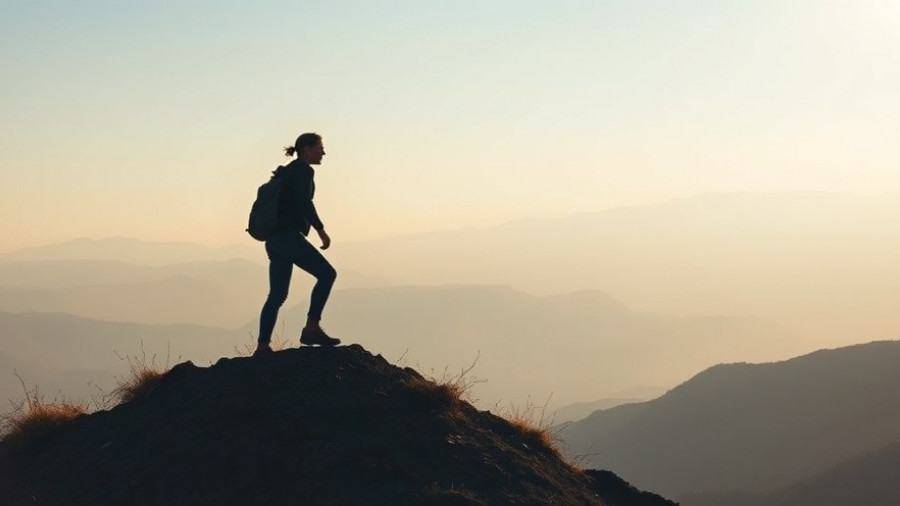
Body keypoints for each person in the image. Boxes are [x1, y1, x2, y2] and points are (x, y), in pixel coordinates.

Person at [255, 133, 339, 355]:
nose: (323, 152)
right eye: (320, 147)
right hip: (288, 238)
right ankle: (312, 328)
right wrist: (321, 231)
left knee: (277, 295)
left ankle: (262, 346)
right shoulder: (303, 170)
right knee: (327, 274)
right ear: (306, 148)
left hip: (274, 240)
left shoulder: (286, 172)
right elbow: (304, 203)